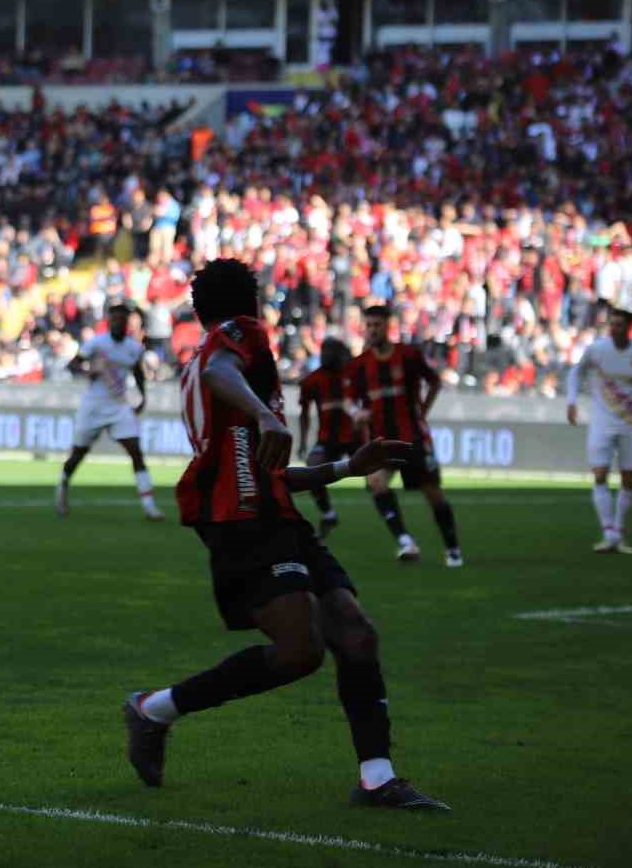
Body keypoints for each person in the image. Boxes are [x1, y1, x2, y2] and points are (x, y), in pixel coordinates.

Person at [123, 258, 448, 811]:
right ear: (247, 301)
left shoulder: (225, 358)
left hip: (271, 515)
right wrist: (267, 415)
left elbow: (271, 474)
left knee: (354, 631)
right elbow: (218, 374)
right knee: (301, 651)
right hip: (240, 522)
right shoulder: (235, 341)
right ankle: (153, 709)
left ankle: (377, 778)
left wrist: (347, 466)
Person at [345, 304, 464, 567]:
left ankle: (452, 548)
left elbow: (434, 381)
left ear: (389, 326)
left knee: (432, 493)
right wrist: (356, 412)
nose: (373, 330)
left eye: (378, 325)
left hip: (413, 438)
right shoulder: (360, 365)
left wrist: (423, 409)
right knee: (376, 481)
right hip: (382, 440)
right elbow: (351, 400)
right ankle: (405, 541)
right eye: (369, 325)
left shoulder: (408, 355)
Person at [566, 307, 632, 554]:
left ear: (628, 327)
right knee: (600, 473)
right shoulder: (597, 350)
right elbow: (576, 372)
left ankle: (619, 531)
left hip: (631, 424)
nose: (614, 328)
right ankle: (609, 532)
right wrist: (571, 401)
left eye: (619, 324)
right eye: (612, 324)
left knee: (629, 478)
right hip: (601, 422)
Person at [56, 301, 163, 521]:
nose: (118, 322)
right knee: (78, 454)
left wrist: (142, 398)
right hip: (93, 405)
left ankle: (149, 506)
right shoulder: (96, 343)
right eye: (115, 318)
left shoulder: (134, 348)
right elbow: (73, 365)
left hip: (119, 404)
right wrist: (89, 369)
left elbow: (139, 373)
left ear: (127, 322)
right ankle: (62, 487)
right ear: (109, 321)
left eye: (122, 318)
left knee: (136, 451)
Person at [298, 337, 361, 538]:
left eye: (330, 351)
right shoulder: (312, 380)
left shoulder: (353, 374)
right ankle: (328, 513)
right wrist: (302, 441)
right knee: (312, 469)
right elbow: (304, 413)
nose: (325, 355)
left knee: (376, 480)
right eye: (323, 350)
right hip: (327, 439)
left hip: (355, 436)